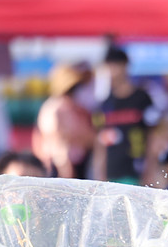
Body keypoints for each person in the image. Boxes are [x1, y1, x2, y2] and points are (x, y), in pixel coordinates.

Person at [91, 48, 157, 184]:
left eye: (114, 66)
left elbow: (154, 134)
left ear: (125, 66)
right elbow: (100, 142)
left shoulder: (142, 99)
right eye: (108, 67)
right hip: (111, 174)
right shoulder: (104, 104)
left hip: (137, 171)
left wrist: (151, 169)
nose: (111, 72)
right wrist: (99, 175)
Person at [33, 63, 95, 178]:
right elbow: (57, 140)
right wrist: (65, 167)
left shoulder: (76, 108)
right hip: (60, 167)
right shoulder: (54, 108)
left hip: (78, 164)